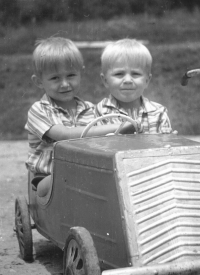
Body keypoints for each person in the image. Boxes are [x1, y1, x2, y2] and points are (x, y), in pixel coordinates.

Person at [25, 37, 132, 197]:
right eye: (55, 78)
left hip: (82, 170)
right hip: (47, 174)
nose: (65, 84)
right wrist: (117, 127)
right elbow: (64, 135)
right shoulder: (39, 110)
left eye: (71, 75)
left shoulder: (90, 108)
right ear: (39, 81)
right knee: (50, 184)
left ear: (80, 73)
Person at [96, 38, 174, 134]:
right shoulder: (100, 112)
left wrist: (168, 140)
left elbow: (166, 147)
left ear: (147, 80)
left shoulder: (158, 113)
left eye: (135, 74)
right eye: (119, 74)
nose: (128, 80)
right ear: (105, 81)